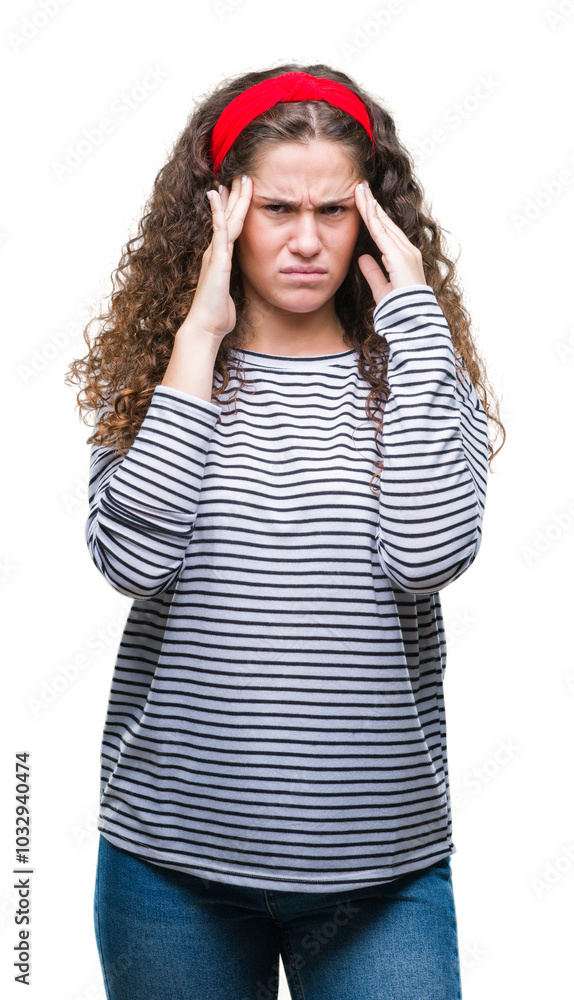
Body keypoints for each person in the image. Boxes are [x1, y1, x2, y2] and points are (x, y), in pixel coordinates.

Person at [66, 62, 504, 1000]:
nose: (307, 241)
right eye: (275, 210)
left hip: (383, 869)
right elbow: (133, 563)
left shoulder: (418, 378)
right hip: (171, 865)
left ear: (372, 221)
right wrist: (195, 340)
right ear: (222, 214)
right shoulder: (159, 379)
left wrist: (415, 319)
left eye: (334, 211)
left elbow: (429, 555)